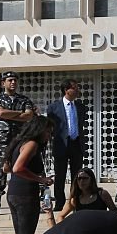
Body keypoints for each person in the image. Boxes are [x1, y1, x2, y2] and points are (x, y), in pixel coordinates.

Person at [0, 116, 55, 234]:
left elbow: (6, 167)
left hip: (14, 193)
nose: (49, 135)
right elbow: (17, 168)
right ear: (39, 129)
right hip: (24, 196)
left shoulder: (18, 142)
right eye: (47, 131)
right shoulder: (31, 144)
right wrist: (41, 179)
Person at [0, 71, 37, 216]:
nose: (13, 83)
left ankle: (32, 200)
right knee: (0, 171)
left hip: (20, 139)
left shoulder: (24, 99)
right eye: (10, 80)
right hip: (2, 140)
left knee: (24, 168)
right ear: (3, 83)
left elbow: (28, 116)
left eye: (15, 80)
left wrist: (8, 113)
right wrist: (17, 114)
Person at [45, 79, 86, 214]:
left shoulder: (80, 106)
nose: (77, 90)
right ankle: (60, 202)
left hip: (76, 143)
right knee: (60, 175)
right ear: (66, 90)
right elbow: (50, 127)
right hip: (61, 144)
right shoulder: (54, 107)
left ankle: (76, 201)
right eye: (75, 88)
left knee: (77, 175)